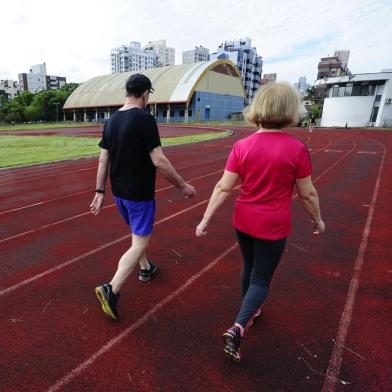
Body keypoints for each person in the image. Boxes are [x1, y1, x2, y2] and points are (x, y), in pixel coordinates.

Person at [195, 83, 325, 362]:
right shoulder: (297, 149)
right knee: (262, 278)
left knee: (249, 267)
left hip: (243, 220)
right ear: (290, 110)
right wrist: (318, 220)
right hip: (273, 225)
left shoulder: (242, 146)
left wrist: (205, 219)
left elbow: (222, 187)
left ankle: (250, 310)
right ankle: (240, 325)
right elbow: (308, 193)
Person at [90, 73, 196, 320]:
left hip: (120, 194)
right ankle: (111, 289)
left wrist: (99, 191)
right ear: (145, 93)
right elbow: (158, 160)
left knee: (138, 235)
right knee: (139, 242)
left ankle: (146, 268)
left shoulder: (112, 120)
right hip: (139, 194)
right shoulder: (145, 119)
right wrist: (182, 185)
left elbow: (103, 158)